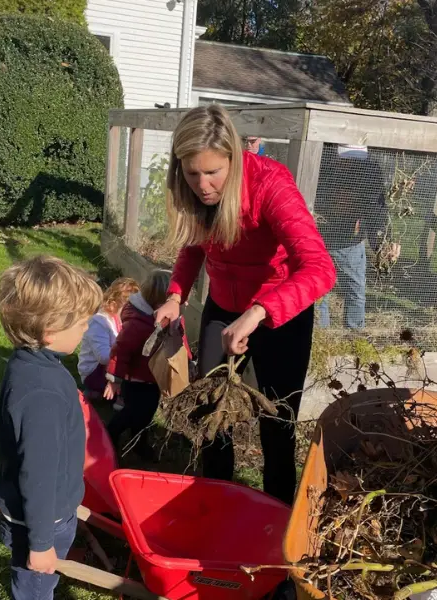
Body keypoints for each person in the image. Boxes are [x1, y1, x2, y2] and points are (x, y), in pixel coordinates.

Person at [154, 104, 336, 505]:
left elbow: (321, 268)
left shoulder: (271, 185)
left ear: (233, 159)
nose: (203, 185)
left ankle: (275, 518)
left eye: (213, 173)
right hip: (222, 306)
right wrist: (175, 295)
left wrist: (259, 311)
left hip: (278, 314)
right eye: (192, 173)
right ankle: (216, 501)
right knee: (212, 412)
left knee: (277, 422)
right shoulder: (194, 194)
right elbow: (194, 244)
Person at [0, 255, 103, 600]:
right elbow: (37, 474)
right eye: (83, 323)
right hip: (42, 523)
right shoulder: (42, 394)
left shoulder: (29, 363)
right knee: (35, 588)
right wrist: (41, 545)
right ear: (51, 330)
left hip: (39, 513)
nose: (86, 329)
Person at [104, 269, 191, 460]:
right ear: (159, 300)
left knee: (147, 414)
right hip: (135, 380)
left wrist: (188, 360)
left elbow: (180, 340)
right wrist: (114, 379)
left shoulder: (172, 319)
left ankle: (139, 443)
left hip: (153, 379)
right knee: (130, 412)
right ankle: (110, 436)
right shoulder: (138, 324)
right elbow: (121, 351)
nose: (183, 303)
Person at [314, 145, 400, 329]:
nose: (350, 163)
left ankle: (354, 335)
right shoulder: (320, 163)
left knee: (356, 290)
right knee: (318, 291)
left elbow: (377, 209)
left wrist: (382, 243)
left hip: (350, 240)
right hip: (317, 237)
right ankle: (320, 335)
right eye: (346, 159)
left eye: (355, 159)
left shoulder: (370, 171)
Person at [78, 277, 139, 399]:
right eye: (128, 309)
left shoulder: (118, 318)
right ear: (113, 304)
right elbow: (104, 357)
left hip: (106, 369)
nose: (132, 314)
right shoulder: (99, 323)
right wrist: (126, 352)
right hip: (93, 372)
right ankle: (99, 390)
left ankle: (102, 393)